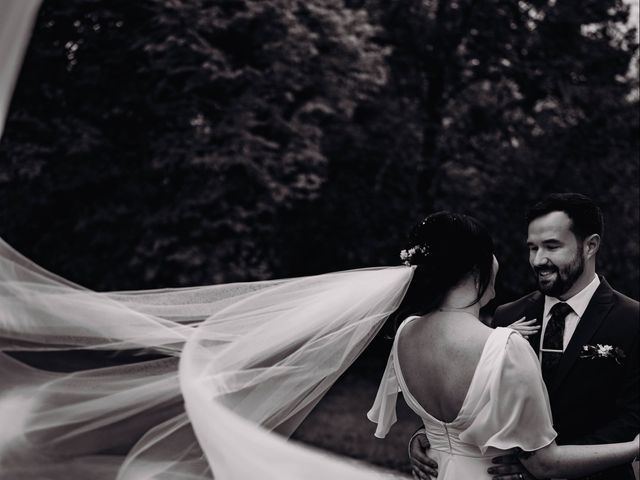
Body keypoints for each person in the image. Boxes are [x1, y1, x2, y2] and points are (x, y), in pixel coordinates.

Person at [408, 195, 640, 480]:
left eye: (552, 246)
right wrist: (425, 434)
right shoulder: (507, 315)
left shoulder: (632, 319)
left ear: (590, 245)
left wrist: (540, 464)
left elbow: (633, 416)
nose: (538, 260)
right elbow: (471, 392)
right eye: (532, 248)